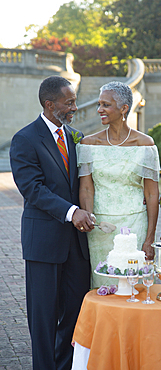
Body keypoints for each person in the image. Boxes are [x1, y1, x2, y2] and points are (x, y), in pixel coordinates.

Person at [9, 76, 94, 370]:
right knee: (43, 318)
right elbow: (32, 188)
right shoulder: (25, 139)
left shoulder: (76, 136)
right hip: (43, 243)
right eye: (68, 102)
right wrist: (72, 212)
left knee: (76, 311)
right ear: (50, 104)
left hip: (77, 246)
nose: (74, 107)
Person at [76, 81, 160, 288]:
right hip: (99, 228)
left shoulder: (145, 145)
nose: (99, 110)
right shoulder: (88, 144)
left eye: (106, 105)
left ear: (123, 109)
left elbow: (151, 195)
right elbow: (87, 188)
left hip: (134, 226)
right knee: (101, 284)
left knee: (133, 285)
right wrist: (90, 220)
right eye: (99, 104)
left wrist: (149, 239)